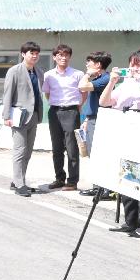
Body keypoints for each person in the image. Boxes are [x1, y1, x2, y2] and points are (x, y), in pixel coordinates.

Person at [99, 49, 140, 237]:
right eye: (133, 63)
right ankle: (131, 221)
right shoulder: (125, 85)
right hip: (126, 138)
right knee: (127, 179)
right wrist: (113, 81)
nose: (135, 68)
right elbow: (104, 102)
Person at [0, 42, 44, 197]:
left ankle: (18, 180)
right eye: (32, 53)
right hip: (18, 116)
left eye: (37, 53)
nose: (35, 56)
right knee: (20, 150)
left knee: (28, 151)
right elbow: (7, 93)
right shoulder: (14, 71)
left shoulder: (39, 72)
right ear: (23, 54)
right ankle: (19, 185)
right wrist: (6, 116)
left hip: (34, 115)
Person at [42, 44, 84, 191]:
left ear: (70, 57)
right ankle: (59, 178)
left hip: (71, 111)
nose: (63, 58)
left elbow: (83, 93)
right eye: (60, 55)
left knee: (72, 148)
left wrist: (77, 107)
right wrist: (56, 105)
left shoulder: (78, 74)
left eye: (66, 55)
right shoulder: (48, 75)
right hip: (54, 112)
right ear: (54, 57)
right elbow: (47, 94)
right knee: (56, 148)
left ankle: (72, 181)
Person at [78, 51, 112, 197]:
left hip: (100, 120)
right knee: (93, 153)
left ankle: (104, 189)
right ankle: (98, 186)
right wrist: (86, 119)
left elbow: (82, 87)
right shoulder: (99, 78)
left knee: (99, 154)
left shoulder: (105, 78)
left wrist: (87, 75)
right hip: (92, 119)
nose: (87, 65)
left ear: (98, 64)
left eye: (89, 62)